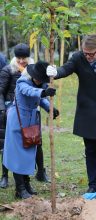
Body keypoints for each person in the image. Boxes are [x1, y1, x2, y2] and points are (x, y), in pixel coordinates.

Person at [46, 34, 96, 203]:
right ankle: (93, 187)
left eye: (92, 54)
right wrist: (55, 71)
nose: (88, 57)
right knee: (90, 151)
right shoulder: (78, 57)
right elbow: (66, 69)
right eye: (86, 53)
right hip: (87, 112)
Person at [3, 60, 57, 199]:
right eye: (39, 79)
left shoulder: (38, 84)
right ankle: (20, 189)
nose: (40, 82)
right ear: (33, 75)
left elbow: (39, 99)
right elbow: (31, 92)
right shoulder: (23, 82)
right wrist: (44, 92)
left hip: (31, 123)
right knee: (18, 156)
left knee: (28, 154)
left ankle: (26, 185)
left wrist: (50, 108)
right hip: (18, 122)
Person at [0, 44, 50, 188]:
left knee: (32, 145)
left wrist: (49, 107)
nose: (21, 61)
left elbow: (38, 95)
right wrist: (3, 109)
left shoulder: (35, 72)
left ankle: (34, 176)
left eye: (24, 58)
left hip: (31, 117)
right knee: (11, 148)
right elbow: (28, 90)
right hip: (14, 114)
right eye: (19, 58)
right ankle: (8, 179)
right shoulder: (10, 72)